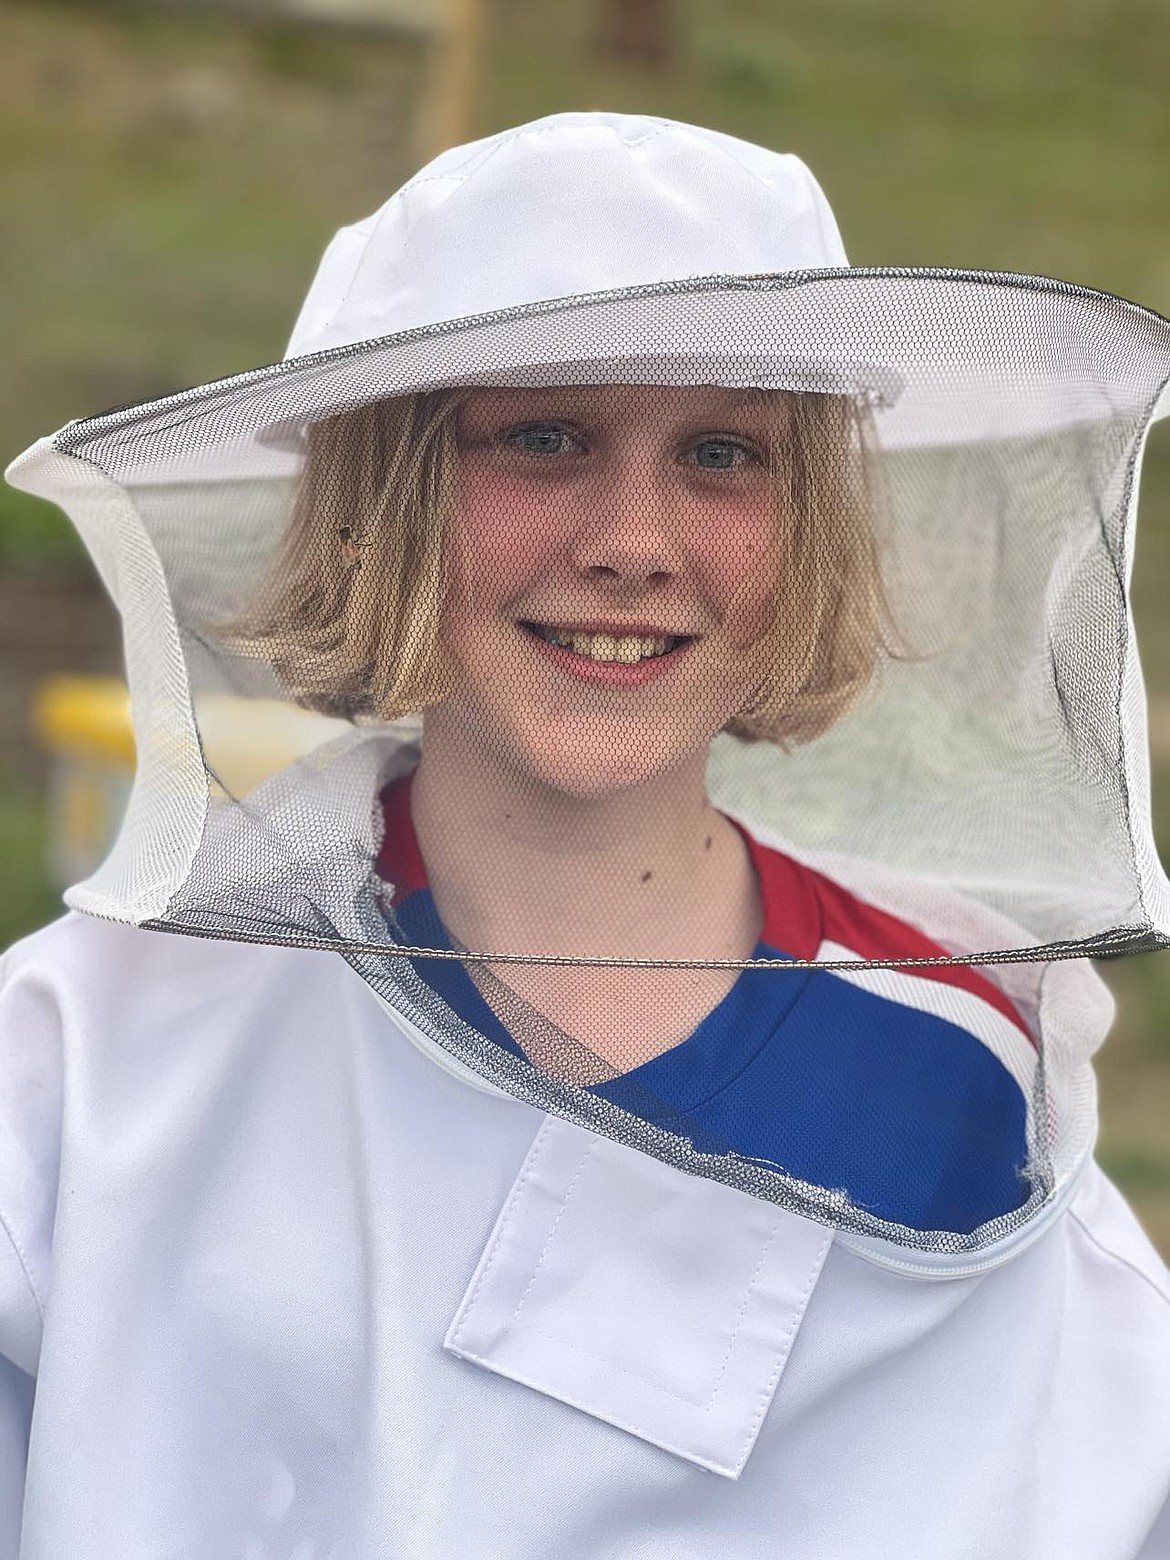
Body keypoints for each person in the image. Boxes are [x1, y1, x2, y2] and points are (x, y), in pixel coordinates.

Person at [2, 111, 1169, 1557]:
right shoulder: (93, 1052)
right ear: (382, 499)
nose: (632, 538)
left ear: (807, 525)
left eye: (724, 451)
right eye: (541, 438)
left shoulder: (955, 1053)